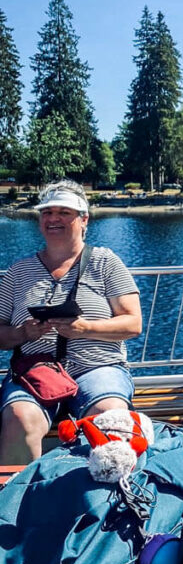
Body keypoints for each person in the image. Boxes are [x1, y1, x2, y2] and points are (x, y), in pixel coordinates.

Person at [0, 180, 142, 465]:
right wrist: (24, 333)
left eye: (64, 212)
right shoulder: (18, 272)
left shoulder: (105, 262)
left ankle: (108, 503)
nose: (53, 219)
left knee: (110, 417)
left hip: (98, 368)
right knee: (19, 418)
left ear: (84, 219)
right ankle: (13, 501)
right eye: (47, 212)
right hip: (36, 372)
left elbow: (133, 323)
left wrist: (85, 328)